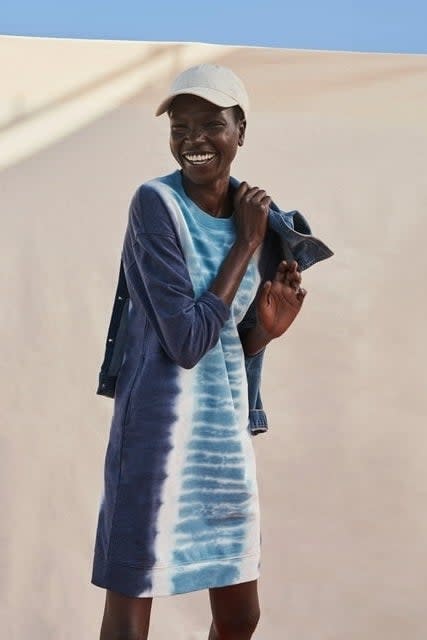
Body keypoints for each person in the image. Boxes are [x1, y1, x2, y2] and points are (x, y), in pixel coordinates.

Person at [91, 63, 307, 640]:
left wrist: (265, 331)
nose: (193, 139)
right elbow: (185, 342)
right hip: (156, 439)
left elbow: (222, 344)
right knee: (131, 617)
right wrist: (247, 244)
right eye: (180, 127)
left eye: (211, 123)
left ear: (240, 129)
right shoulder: (155, 206)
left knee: (240, 617)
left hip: (222, 442)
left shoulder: (260, 215)